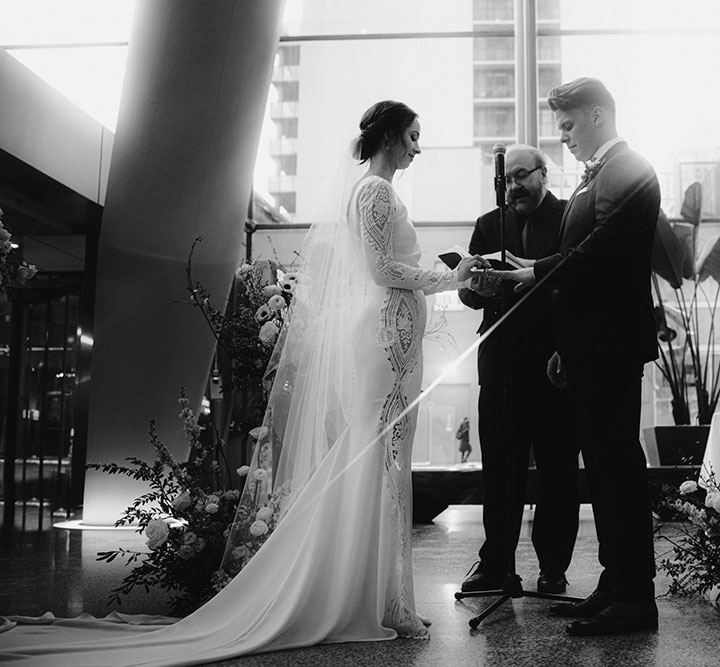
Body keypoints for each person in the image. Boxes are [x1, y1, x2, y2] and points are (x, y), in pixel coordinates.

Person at [0, 100, 483, 664]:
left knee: (382, 460)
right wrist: (450, 276)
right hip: (385, 335)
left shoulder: (373, 191)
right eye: (414, 136)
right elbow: (381, 271)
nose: (418, 148)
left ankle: (378, 595)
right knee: (378, 457)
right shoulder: (374, 191)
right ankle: (380, 599)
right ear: (391, 136)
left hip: (392, 335)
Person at [492, 78, 659, 636]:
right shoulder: (601, 174)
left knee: (618, 470)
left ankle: (636, 598)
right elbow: (585, 266)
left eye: (567, 125)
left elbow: (597, 255)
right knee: (606, 471)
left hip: (611, 345)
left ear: (597, 115)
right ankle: (615, 583)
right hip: (589, 345)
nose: (562, 137)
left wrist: (531, 271)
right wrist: (565, 343)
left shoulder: (628, 169)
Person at [458, 144, 580, 596]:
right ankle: (496, 565)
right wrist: (479, 286)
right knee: (500, 469)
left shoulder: (569, 216)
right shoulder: (489, 224)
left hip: (553, 363)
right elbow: (469, 296)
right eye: (506, 181)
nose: (513, 188)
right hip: (501, 362)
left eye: (521, 177)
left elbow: (574, 280)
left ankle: (553, 567)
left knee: (557, 469)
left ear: (543, 174)